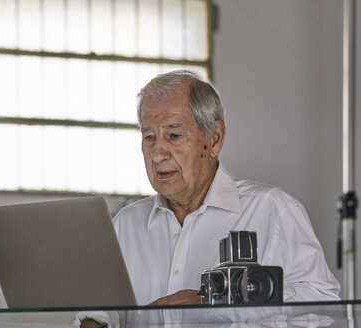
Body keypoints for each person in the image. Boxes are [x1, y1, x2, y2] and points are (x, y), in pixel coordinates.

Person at [77, 70, 340, 327]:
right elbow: (100, 309)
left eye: (174, 135)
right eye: (149, 137)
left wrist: (217, 303)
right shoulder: (127, 224)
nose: (157, 153)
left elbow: (320, 306)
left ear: (214, 139)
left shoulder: (272, 211)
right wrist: (92, 321)